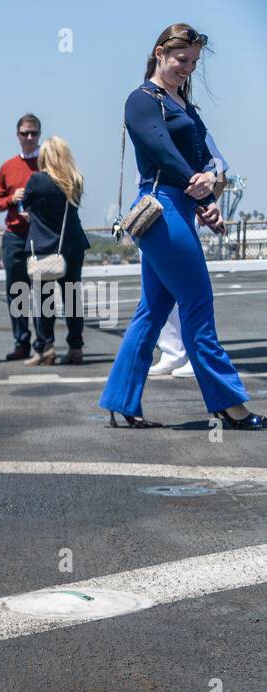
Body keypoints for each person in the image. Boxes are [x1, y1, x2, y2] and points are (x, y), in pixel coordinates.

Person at [99, 23, 264, 430]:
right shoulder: (142, 100)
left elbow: (213, 159)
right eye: (180, 60)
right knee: (197, 303)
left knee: (152, 310)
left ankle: (121, 400)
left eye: (192, 62)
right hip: (161, 208)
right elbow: (165, 153)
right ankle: (228, 403)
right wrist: (206, 195)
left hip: (180, 208)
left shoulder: (184, 105)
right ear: (160, 53)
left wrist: (213, 184)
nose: (187, 68)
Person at [150, 130, 228, 378]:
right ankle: (173, 352)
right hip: (152, 218)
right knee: (157, 294)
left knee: (188, 293)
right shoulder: (148, 130)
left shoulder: (192, 128)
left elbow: (221, 173)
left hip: (180, 216)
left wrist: (205, 205)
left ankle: (195, 355)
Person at [22, 136, 91, 366]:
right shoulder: (75, 179)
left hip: (44, 247)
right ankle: (75, 347)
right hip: (72, 244)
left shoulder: (36, 180)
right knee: (72, 297)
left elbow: (26, 206)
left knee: (43, 301)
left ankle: (47, 347)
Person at [0, 113, 42, 360]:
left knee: (44, 290)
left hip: (42, 236)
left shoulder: (48, 163)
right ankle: (22, 342)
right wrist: (12, 199)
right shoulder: (7, 167)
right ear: (17, 135)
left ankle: (44, 343)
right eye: (25, 133)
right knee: (17, 290)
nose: (29, 138)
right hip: (14, 235)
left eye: (34, 133)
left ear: (39, 135)